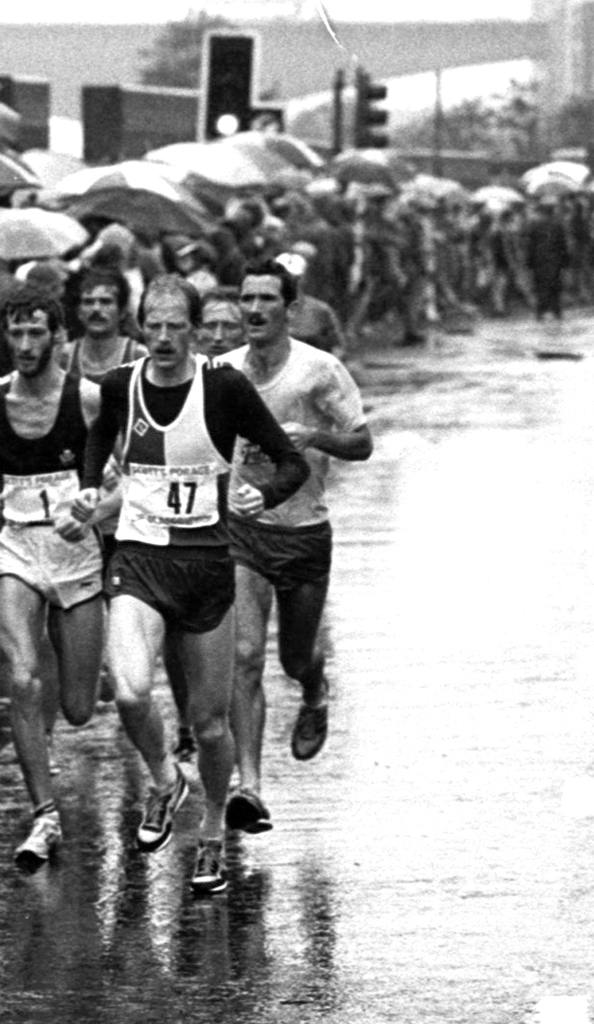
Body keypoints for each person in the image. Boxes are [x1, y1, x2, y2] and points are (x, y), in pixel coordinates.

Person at [79, 277, 308, 896]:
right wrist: (86, 483)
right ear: (139, 327)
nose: (162, 338)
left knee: (209, 726)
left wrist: (269, 492)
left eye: (175, 326)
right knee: (128, 692)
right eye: (151, 325)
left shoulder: (224, 388)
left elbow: (292, 461)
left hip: (206, 565)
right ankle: (163, 780)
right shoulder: (120, 384)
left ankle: (211, 833)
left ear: (196, 329)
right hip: (139, 558)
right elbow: (98, 435)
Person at [0, 284, 106, 870]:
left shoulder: (87, 400)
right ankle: (44, 815)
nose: (24, 344)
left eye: (36, 331)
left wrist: (94, 506)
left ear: (58, 337)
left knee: (81, 706)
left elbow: (123, 474)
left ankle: (59, 670)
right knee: (21, 677)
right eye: (15, 332)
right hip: (16, 550)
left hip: (77, 555)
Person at [223, 259, 371, 835]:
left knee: (292, 658)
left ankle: (314, 690)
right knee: (244, 656)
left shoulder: (319, 371)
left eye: (266, 299)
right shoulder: (225, 372)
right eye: (247, 298)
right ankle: (250, 787)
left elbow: (361, 445)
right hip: (244, 531)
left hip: (304, 531)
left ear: (289, 308)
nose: (254, 309)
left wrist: (314, 436)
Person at [61, 269, 146, 380]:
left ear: (122, 311)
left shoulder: (139, 357)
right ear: (78, 311)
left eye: (105, 301)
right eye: (88, 302)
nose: (96, 309)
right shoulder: (64, 357)